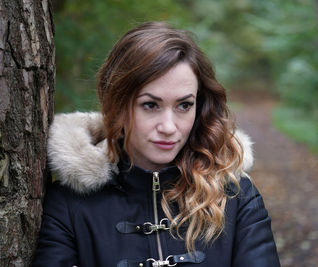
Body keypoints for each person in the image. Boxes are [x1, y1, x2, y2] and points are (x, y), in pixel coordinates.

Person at [32, 22, 280, 267]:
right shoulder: (69, 203)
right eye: (150, 105)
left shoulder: (237, 195)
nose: (169, 127)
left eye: (184, 105)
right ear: (118, 106)